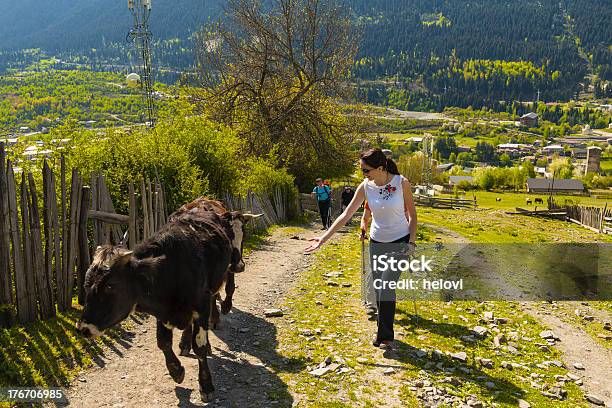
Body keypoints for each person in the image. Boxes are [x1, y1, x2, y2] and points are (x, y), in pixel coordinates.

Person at [306, 148, 417, 349]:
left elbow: (413, 215)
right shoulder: (366, 186)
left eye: (366, 170)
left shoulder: (402, 183)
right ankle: (383, 331)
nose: (363, 174)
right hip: (376, 242)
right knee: (379, 288)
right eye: (362, 170)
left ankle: (385, 336)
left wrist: (412, 242)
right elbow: (346, 215)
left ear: (381, 168)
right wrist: (323, 239)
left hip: (400, 240)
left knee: (386, 286)